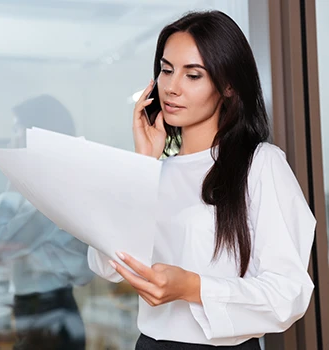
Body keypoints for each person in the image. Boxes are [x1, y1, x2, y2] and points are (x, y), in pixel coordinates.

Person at [87, 11, 316, 349]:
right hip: (149, 343)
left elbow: (289, 294)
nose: (171, 87)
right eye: (166, 70)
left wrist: (192, 287)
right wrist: (141, 164)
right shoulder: (151, 171)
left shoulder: (259, 164)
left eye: (192, 75)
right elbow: (102, 264)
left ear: (227, 86)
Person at [0, 94, 94, 350]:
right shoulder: (46, 189)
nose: (12, 136)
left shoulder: (51, 193)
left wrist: (14, 185)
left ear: (35, 133)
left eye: (16, 127)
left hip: (51, 315)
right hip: (39, 311)